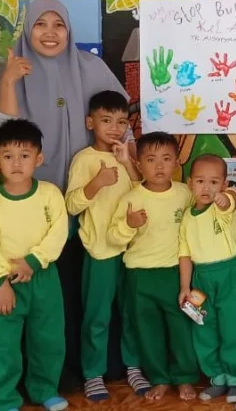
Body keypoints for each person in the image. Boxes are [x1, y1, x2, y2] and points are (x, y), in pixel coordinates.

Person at [0, 0, 132, 388]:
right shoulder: (16, 68)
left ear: (69, 31)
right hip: (32, 201)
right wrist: (8, 81)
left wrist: (127, 168)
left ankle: (90, 370)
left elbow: (123, 125)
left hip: (92, 206)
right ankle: (39, 377)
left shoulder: (91, 67)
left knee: (83, 290)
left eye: (58, 25)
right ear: (27, 29)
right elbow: (2, 133)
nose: (50, 32)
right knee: (42, 288)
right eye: (40, 24)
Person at [0, 119, 69, 411]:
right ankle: (4, 400)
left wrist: (33, 261)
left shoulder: (50, 194)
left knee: (48, 339)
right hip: (5, 283)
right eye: (8, 156)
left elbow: (59, 233)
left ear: (38, 159)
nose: (16, 163)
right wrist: (0, 283)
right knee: (4, 346)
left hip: (43, 278)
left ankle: (45, 390)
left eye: (25, 155)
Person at [64, 90, 147, 401]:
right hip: (100, 253)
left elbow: (145, 190)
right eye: (106, 120)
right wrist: (97, 182)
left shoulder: (125, 154)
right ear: (90, 122)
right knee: (97, 316)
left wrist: (128, 163)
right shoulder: (84, 159)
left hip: (133, 252)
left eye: (122, 121)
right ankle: (93, 373)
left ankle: (134, 367)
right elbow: (71, 205)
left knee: (131, 313)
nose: (115, 127)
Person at [107, 132, 199, 402]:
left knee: (181, 329)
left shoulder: (185, 194)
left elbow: (202, 219)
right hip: (139, 275)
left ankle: (184, 378)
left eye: (166, 159)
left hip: (175, 274)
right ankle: (158, 378)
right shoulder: (130, 199)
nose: (159, 166)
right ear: (138, 164)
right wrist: (128, 225)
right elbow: (113, 237)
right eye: (151, 159)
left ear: (176, 162)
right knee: (148, 331)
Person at [179, 154, 236, 403]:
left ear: (224, 184)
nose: (207, 188)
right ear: (190, 182)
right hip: (201, 279)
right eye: (200, 181)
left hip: (231, 274)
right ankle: (217, 377)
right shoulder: (187, 217)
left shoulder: (222, 207)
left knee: (234, 328)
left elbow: (230, 202)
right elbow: (185, 255)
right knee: (204, 328)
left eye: (214, 182)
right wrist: (184, 287)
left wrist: (226, 198)